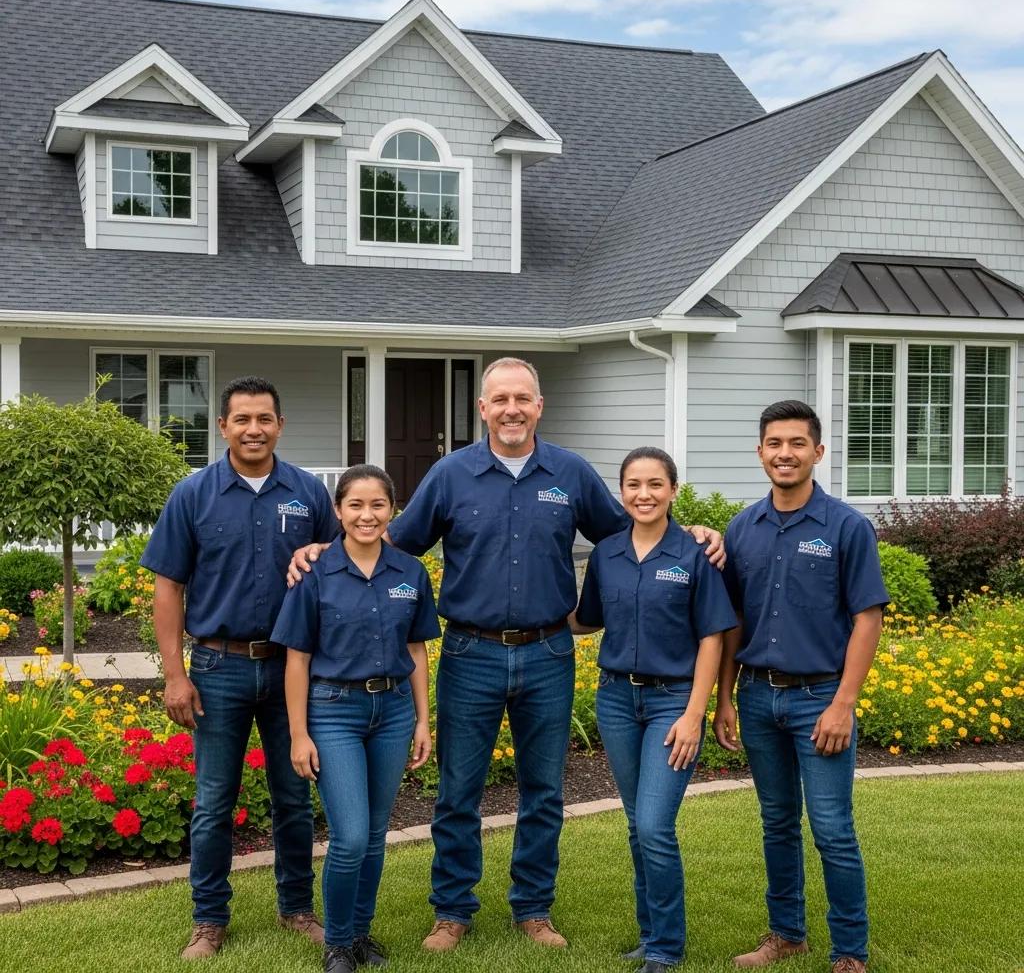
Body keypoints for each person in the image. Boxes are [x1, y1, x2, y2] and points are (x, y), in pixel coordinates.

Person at [289, 357, 725, 951]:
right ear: (483, 408)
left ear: (539, 406)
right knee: (458, 790)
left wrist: (696, 533)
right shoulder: (451, 475)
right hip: (471, 653)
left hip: (548, 653)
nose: (512, 409)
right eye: (500, 399)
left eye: (522, 398)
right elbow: (393, 538)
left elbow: (633, 529)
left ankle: (533, 908)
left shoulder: (570, 473)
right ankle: (452, 910)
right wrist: (324, 548)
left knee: (543, 791)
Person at [142, 376, 337, 960]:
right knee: (213, 803)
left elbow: (343, 563)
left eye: (265, 419)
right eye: (243, 419)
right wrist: (174, 675)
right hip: (217, 667)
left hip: (290, 670)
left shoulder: (307, 493)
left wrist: (323, 551)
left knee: (294, 797)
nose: (255, 429)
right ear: (223, 426)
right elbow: (168, 588)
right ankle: (209, 920)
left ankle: (296, 907)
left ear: (280, 425)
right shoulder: (193, 494)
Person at [713, 401, 888, 973]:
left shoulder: (846, 527)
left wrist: (843, 704)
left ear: (818, 451)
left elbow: (867, 618)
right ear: (759, 452)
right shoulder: (743, 529)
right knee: (778, 822)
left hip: (821, 700)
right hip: (758, 697)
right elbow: (733, 621)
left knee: (833, 829)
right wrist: (725, 698)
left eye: (796, 443)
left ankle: (849, 951)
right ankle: (787, 933)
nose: (784, 453)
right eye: (774, 443)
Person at [271, 465, 440, 973]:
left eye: (378, 505)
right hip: (333, 712)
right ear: (338, 511)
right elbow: (297, 659)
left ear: (392, 510)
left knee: (374, 833)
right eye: (356, 505)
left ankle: (362, 933)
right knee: (348, 837)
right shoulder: (313, 573)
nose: (367, 515)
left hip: (393, 712)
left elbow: (417, 649)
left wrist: (422, 720)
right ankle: (338, 944)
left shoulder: (410, 572)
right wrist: (299, 734)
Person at [574, 447, 735, 972]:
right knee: (635, 823)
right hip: (617, 700)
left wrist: (694, 713)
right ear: (621, 492)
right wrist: (525, 614)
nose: (644, 494)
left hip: (673, 702)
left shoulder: (695, 554)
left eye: (655, 484)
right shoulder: (606, 554)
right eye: (633, 485)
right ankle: (649, 936)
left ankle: (666, 946)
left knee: (653, 825)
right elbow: (586, 618)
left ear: (673, 490)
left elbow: (713, 637)